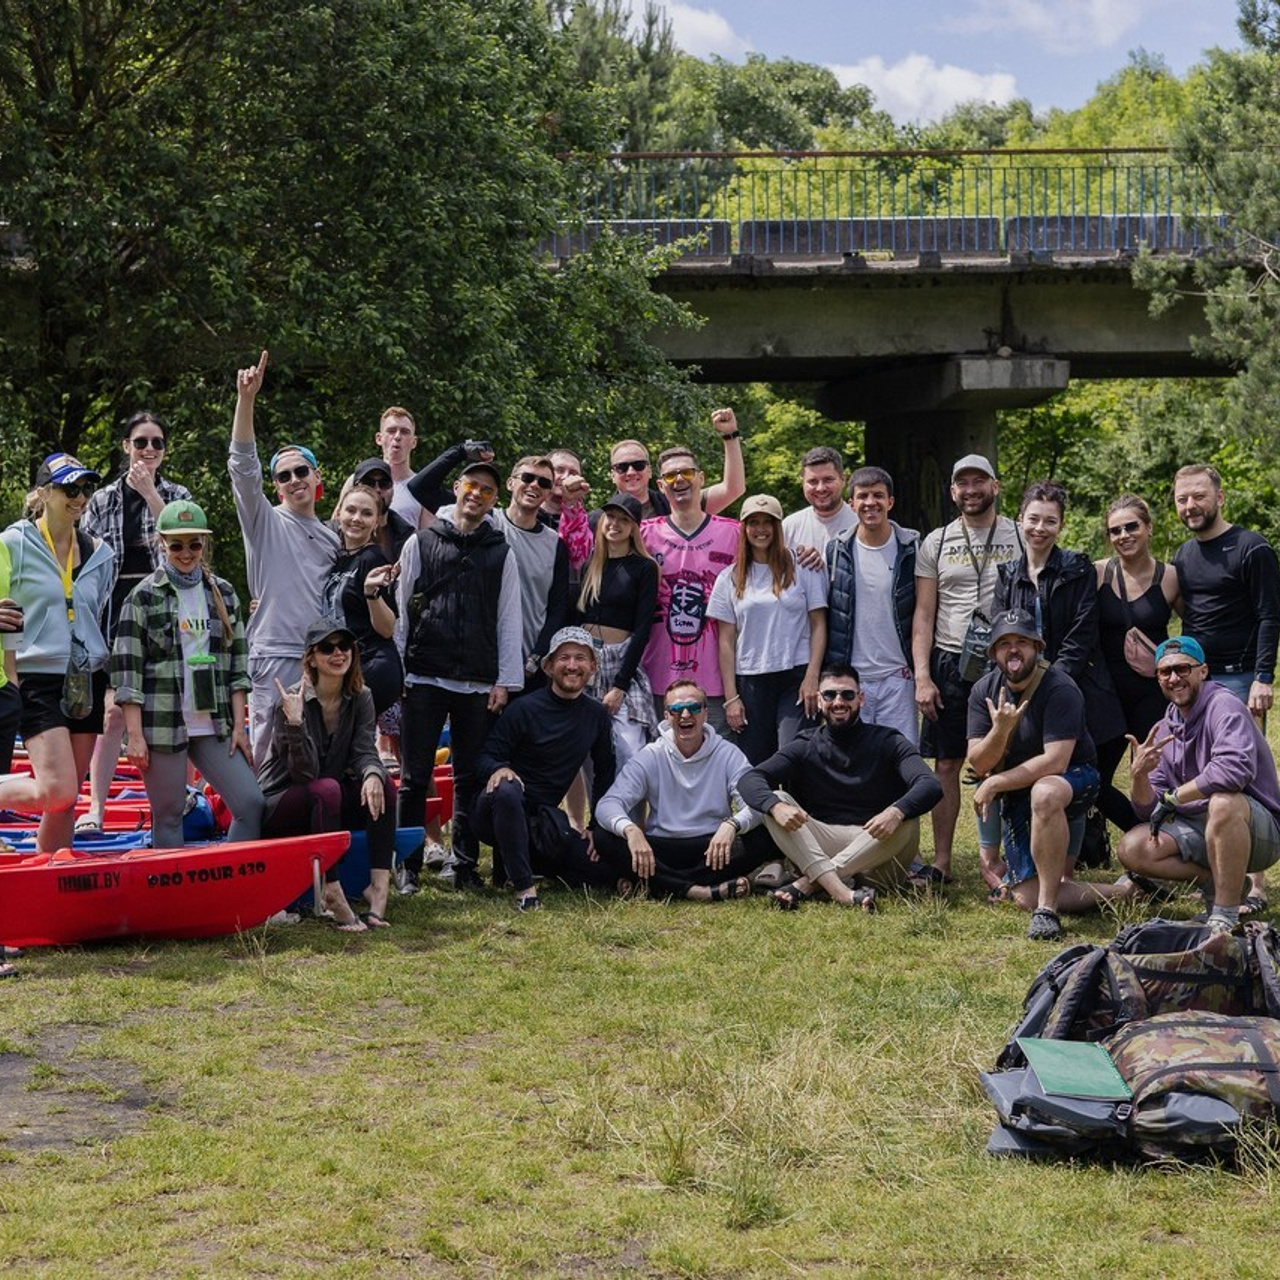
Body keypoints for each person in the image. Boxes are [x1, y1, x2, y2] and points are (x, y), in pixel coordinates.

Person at [394, 459, 523, 892]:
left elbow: (509, 618)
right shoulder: (422, 542)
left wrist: (504, 681)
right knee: (413, 777)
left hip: (477, 681)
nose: (477, 495)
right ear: (456, 487)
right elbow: (400, 612)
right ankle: (407, 864)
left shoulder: (501, 550)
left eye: (487, 490)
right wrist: (399, 671)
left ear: (494, 500)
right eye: (472, 485)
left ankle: (464, 866)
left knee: (468, 777)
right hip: (425, 674)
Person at [966, 608, 1131, 941]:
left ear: (1037, 646)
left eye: (1022, 642)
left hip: (1075, 779)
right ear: (993, 652)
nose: (1014, 650)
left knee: (1045, 791)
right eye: (1004, 643)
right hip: (1022, 789)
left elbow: (1056, 761)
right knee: (1023, 895)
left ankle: (1048, 910)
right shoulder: (982, 690)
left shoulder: (1060, 687)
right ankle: (1127, 891)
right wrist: (1000, 730)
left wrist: (996, 781)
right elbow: (978, 763)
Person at [111, 500, 265, 850]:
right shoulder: (142, 597)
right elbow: (127, 675)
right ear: (161, 542)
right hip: (162, 724)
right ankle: (171, 903)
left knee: (250, 805)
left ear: (204, 544)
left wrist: (240, 727)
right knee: (168, 815)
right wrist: (134, 737)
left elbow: (238, 667)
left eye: (194, 544)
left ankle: (230, 887)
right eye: (176, 544)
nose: (186, 553)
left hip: (214, 723)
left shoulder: (223, 593)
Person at [738, 663, 942, 910]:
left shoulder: (889, 741)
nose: (838, 702)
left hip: (877, 850)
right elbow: (750, 780)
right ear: (819, 700)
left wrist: (896, 812)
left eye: (847, 695)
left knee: (908, 816)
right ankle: (842, 890)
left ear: (861, 699)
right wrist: (776, 806)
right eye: (830, 695)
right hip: (823, 842)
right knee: (777, 799)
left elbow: (930, 784)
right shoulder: (804, 744)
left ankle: (809, 885)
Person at [1172, 463, 1280, 915]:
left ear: (1220, 498)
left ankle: (1255, 886)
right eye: (1182, 499)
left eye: (1198, 496)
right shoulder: (1182, 554)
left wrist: (1263, 676)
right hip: (1201, 678)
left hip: (1241, 676)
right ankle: (1218, 868)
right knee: (1202, 766)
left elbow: (1270, 614)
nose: (1191, 505)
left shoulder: (1251, 548)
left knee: (1244, 775)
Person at [1117, 635, 1280, 935]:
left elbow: (1233, 771)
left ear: (1202, 671)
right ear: (1158, 678)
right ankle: (1215, 880)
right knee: (1132, 848)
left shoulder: (1224, 706)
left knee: (1223, 801)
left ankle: (1225, 912)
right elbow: (1147, 811)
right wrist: (1139, 775)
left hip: (1258, 832)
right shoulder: (1165, 728)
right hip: (1200, 827)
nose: (1174, 678)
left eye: (1183, 669)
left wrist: (1175, 797)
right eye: (1165, 672)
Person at [80, 411, 193, 833]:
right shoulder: (102, 500)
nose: (148, 450)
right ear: (126, 446)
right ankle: (95, 808)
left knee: (178, 706)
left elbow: (183, 548)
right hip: (117, 611)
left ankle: (185, 799)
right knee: (113, 713)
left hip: (167, 609)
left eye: (157, 443)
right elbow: (87, 567)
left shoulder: (176, 494)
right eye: (141, 442)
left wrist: (150, 495)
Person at [911, 453, 1022, 883]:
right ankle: (941, 859)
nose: (972, 490)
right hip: (950, 659)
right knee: (946, 764)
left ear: (995, 486)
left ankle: (1002, 859)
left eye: (980, 481)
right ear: (953, 491)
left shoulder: (1018, 534)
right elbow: (923, 613)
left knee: (1003, 762)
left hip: (1007, 659)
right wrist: (923, 676)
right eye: (963, 483)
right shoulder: (936, 542)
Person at [228, 350, 340, 766]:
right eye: (284, 475)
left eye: (301, 471)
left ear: (317, 478)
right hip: (273, 652)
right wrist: (247, 399)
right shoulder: (264, 523)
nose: (294, 480)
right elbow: (242, 469)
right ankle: (258, 828)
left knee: (315, 751)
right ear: (275, 486)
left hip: (322, 658)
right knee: (267, 751)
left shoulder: (333, 538)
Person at [0, 454, 114, 852]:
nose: (80, 498)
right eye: (70, 489)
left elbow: (100, 619)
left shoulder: (102, 553)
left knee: (65, 804)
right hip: (38, 677)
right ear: (44, 493)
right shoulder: (14, 542)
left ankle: (48, 879)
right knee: (58, 790)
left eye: (86, 488)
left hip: (86, 679)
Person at [258, 620, 396, 929]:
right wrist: (295, 724)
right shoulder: (292, 700)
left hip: (325, 798)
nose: (338, 653)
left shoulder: (361, 696)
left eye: (344, 646)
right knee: (328, 789)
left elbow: (363, 749)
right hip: (282, 801)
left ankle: (378, 888)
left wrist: (372, 773)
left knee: (383, 784)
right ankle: (331, 891)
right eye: (326, 647)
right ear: (311, 658)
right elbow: (303, 774)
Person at [472, 627, 617, 910]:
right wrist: (499, 768)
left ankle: (519, 867)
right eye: (564, 658)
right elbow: (485, 757)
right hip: (496, 810)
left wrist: (596, 828)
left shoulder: (596, 715)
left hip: (544, 824)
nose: (572, 666)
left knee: (602, 871)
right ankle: (525, 890)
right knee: (508, 788)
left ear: (593, 667)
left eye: (580, 658)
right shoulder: (523, 708)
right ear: (549, 666)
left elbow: (605, 773)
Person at [593, 679, 774, 901]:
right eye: (676, 709)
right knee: (604, 837)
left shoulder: (728, 753)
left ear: (706, 713)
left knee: (765, 835)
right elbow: (607, 804)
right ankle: (699, 891)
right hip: (661, 846)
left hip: (713, 846)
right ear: (667, 716)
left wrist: (732, 825)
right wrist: (631, 830)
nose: (685, 715)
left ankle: (657, 885)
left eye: (694, 708)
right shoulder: (650, 755)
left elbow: (756, 803)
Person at [708, 494, 827, 764]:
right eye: (753, 523)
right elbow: (726, 642)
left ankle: (802, 807)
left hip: (796, 677)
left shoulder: (803, 567)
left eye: (768, 522)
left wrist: (812, 677)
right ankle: (765, 808)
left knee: (795, 755)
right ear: (744, 529)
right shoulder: (729, 578)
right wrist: (731, 698)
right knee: (758, 765)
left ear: (778, 527)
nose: (761, 529)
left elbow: (819, 624)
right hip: (751, 679)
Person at [1093, 494, 1180, 836]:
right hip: (1106, 694)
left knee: (1152, 779)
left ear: (1148, 528)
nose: (1124, 535)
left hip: (1152, 695)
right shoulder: (1098, 573)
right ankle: (1142, 836)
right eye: (1115, 530)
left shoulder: (1171, 577)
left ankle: (1161, 853)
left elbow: (1197, 633)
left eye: (1132, 526)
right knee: (1093, 779)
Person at [640, 447, 740, 731]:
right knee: (662, 765)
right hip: (658, 677)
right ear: (660, 485)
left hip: (717, 680)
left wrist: (806, 552)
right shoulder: (643, 534)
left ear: (701, 478)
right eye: (670, 475)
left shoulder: (734, 533)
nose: (679, 480)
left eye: (686, 472)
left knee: (716, 764)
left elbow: (774, 562)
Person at [823, 466, 919, 741]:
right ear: (851, 504)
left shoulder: (912, 548)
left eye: (878, 495)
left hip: (898, 676)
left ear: (890, 502)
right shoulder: (836, 550)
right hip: (851, 679)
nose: (870, 503)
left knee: (901, 758)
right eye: (862, 496)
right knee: (852, 762)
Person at [571, 492, 659, 764]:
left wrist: (620, 684)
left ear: (634, 527)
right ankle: (598, 808)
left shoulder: (645, 567)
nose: (615, 524)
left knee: (630, 749)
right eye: (610, 516)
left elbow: (643, 630)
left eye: (624, 519)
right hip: (585, 660)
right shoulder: (591, 565)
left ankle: (631, 808)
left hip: (621, 661)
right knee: (584, 752)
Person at [322, 483, 402, 716]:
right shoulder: (338, 559)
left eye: (367, 513)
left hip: (372, 665)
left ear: (377, 522)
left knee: (350, 744)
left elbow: (387, 629)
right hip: (344, 666)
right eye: (351, 510)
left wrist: (371, 593)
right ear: (339, 514)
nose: (357, 518)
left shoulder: (373, 558)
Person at [497, 457, 570, 690]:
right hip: (482, 660)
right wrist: (462, 452)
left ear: (549, 494)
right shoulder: (488, 523)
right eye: (527, 478)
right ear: (510, 483)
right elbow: (423, 490)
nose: (535, 485)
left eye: (544, 483)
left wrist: (538, 656)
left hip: (528, 667)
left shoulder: (554, 544)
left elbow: (558, 608)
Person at [606, 408, 745, 521]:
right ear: (612, 475)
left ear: (649, 472)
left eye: (639, 465)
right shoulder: (599, 519)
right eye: (622, 467)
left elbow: (732, 489)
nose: (631, 472)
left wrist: (730, 435)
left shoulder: (677, 501)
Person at [782, 446, 857, 570]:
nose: (820, 488)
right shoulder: (789, 528)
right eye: (813, 481)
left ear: (843, 480)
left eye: (828, 480)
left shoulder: (860, 524)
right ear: (802, 483)